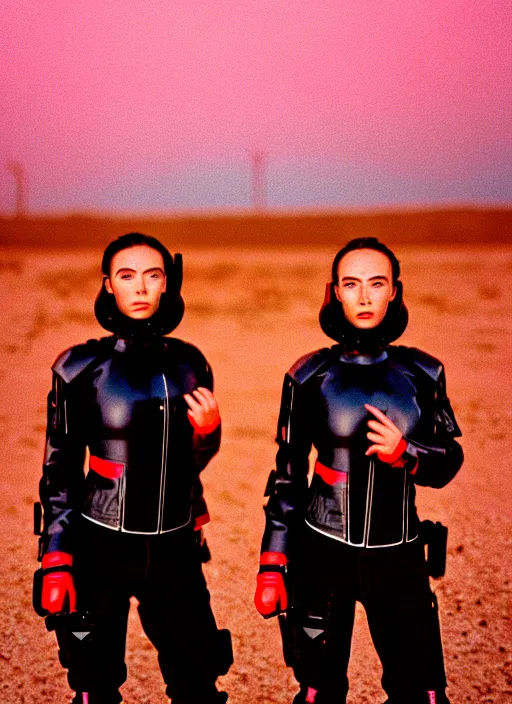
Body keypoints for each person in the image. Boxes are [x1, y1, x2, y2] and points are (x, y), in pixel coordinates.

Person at [254, 237, 463, 704]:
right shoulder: (308, 376)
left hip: (401, 553)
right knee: (317, 692)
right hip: (322, 554)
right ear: (334, 294)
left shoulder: (424, 374)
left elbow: (449, 459)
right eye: (352, 285)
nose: (365, 296)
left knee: (424, 694)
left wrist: (406, 453)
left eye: (376, 284)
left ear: (395, 292)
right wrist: (272, 563)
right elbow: (288, 479)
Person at [36, 233, 232, 704]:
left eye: (152, 276)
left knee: (198, 681)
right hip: (98, 543)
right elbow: (59, 470)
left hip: (174, 546)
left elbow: (191, 464)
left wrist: (209, 432)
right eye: (127, 276)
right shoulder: (79, 368)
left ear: (168, 284)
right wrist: (56, 556)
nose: (140, 288)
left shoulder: (190, 364)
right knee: (93, 683)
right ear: (108, 285)